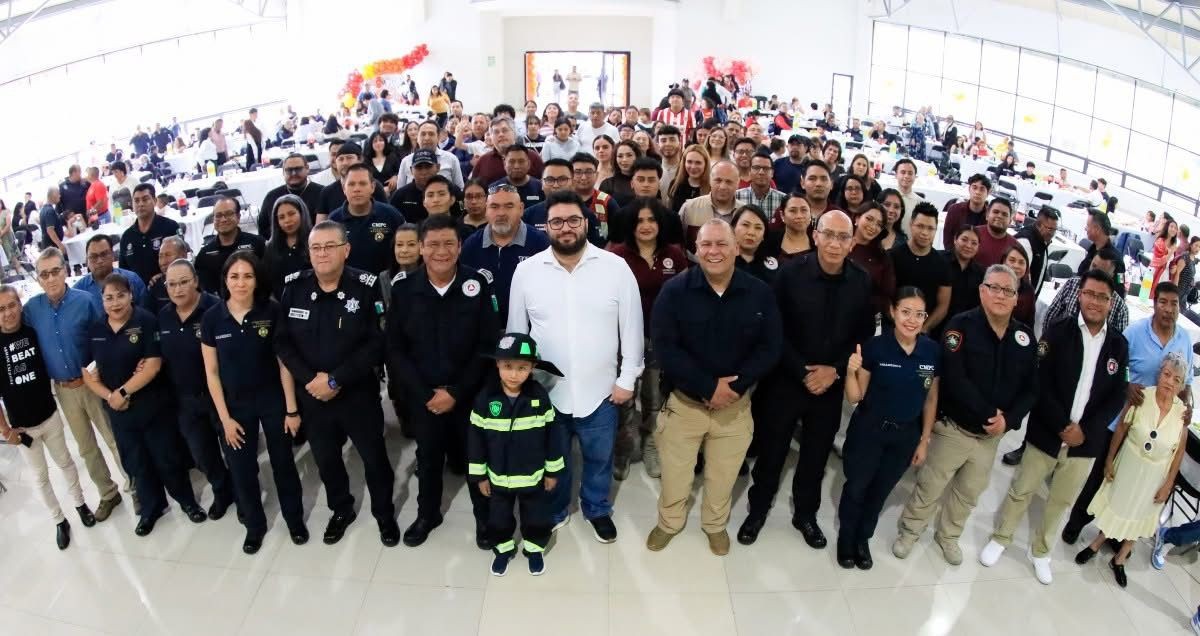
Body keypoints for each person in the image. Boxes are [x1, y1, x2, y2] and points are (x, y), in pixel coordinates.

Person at [507, 190, 644, 542]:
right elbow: (516, 333)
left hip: (602, 391)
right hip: (546, 392)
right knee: (554, 459)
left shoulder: (615, 268)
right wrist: (517, 383)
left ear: (586, 223)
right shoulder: (527, 272)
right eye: (557, 222)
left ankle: (596, 508)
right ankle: (556, 510)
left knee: (599, 458)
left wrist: (627, 378)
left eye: (573, 220)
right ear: (546, 226)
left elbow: (632, 328)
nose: (565, 228)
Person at [979, 270, 1128, 584]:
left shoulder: (1118, 344)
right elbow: (1039, 382)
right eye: (1090, 294)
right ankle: (1001, 537)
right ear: (1080, 295)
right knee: (1022, 490)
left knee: (1061, 501)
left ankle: (1041, 551)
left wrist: (1085, 431)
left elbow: (1117, 396)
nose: (1095, 302)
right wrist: (1062, 425)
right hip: (1048, 431)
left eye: (1102, 297)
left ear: (1111, 302)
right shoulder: (1058, 331)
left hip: (1085, 443)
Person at [646, 219, 781, 555]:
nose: (714, 251)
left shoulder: (759, 292)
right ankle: (669, 522)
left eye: (722, 244)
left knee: (723, 476)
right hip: (684, 406)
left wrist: (735, 387)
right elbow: (665, 348)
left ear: (736, 248)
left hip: (735, 408)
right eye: (706, 244)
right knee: (675, 474)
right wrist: (708, 386)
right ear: (696, 250)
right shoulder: (674, 291)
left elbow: (770, 347)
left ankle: (715, 526)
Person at [740, 211, 875, 547]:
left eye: (843, 237)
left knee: (816, 456)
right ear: (815, 236)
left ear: (852, 242)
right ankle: (758, 510)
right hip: (786, 380)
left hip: (830, 384)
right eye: (828, 234)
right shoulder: (789, 274)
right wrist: (802, 371)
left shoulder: (861, 280)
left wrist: (835, 370)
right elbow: (775, 330)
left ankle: (805, 514)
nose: (834, 243)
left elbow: (863, 335)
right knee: (772, 451)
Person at [894, 265, 1038, 565]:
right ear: (982, 291)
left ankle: (948, 536)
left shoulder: (1024, 337)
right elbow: (955, 378)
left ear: (1016, 299)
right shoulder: (961, 325)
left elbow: (1031, 388)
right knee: (931, 485)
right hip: (954, 428)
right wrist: (989, 413)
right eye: (994, 288)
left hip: (990, 438)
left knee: (968, 493)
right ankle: (910, 531)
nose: (1000, 295)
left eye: (1008, 291)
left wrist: (1008, 420)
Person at [276, 221, 397, 546]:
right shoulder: (294, 287)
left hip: (357, 394)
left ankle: (384, 514)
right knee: (326, 460)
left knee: (374, 459)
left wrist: (335, 379)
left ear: (346, 250)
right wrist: (311, 380)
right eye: (316, 247)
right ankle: (341, 509)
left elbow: (377, 343)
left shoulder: (366, 286)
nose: (322, 253)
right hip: (313, 397)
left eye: (330, 246)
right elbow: (283, 343)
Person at [386, 214, 498, 549]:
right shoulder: (404, 290)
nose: (441, 251)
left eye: (449, 243)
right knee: (428, 457)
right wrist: (425, 394)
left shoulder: (476, 285)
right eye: (433, 244)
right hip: (424, 397)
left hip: (468, 394)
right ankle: (428, 514)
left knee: (476, 459)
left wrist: (457, 392)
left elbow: (487, 346)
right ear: (421, 248)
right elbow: (395, 349)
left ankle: (484, 519)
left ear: (460, 246)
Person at [1062, 282, 1193, 545]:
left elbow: (1186, 380)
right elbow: (1112, 365)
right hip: (1122, 420)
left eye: (1174, 303)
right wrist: (1127, 384)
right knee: (1101, 476)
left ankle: (1115, 534)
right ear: (1154, 304)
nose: (1168, 309)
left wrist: (1187, 405)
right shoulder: (1135, 332)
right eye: (1163, 302)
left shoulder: (1184, 339)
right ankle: (1076, 523)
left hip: (1155, 427)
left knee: (1133, 485)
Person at [81, 274, 206, 535]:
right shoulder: (96, 330)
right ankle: (151, 509)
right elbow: (88, 374)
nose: (115, 303)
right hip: (120, 413)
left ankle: (187, 502)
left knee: (167, 458)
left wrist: (123, 391)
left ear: (131, 296)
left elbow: (153, 365)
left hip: (153, 407)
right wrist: (111, 397)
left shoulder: (146, 321)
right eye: (109, 298)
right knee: (137, 463)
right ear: (102, 301)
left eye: (120, 296)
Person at [199, 252, 307, 552]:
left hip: (272, 400)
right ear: (225, 280)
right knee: (242, 469)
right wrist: (225, 420)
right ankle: (255, 526)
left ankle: (294, 520)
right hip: (234, 407)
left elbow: (284, 363)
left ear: (257, 280)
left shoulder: (271, 310)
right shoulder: (212, 318)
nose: (241, 283)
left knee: (283, 463)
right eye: (234, 276)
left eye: (248, 276)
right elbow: (211, 373)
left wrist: (291, 409)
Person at [838, 288, 940, 570]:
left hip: (905, 436)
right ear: (893, 311)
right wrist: (850, 372)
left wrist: (924, 440)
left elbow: (931, 398)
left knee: (880, 491)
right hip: (869, 431)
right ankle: (846, 538)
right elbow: (855, 397)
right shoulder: (875, 347)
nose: (912, 320)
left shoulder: (931, 351)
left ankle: (863, 539)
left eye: (919, 314)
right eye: (905, 312)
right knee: (857, 487)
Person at [25, 248, 127, 521]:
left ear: (65, 271)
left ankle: (137, 486)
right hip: (63, 390)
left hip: (93, 383)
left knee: (113, 438)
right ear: (38, 279)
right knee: (86, 447)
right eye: (44, 274)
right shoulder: (32, 309)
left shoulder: (85, 301)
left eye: (55, 271)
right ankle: (108, 493)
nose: (50, 279)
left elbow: (105, 337)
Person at [1076, 355, 1188, 589]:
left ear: (1181, 386)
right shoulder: (1141, 396)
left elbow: (1178, 453)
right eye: (1167, 374)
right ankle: (1097, 543)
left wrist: (1168, 484)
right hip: (1129, 462)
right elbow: (1121, 428)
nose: (1170, 382)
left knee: (1141, 513)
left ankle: (1120, 558)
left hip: (1155, 474)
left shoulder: (1182, 414)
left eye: (1176, 379)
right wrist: (1109, 459)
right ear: (1159, 374)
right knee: (1119, 503)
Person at [0, 285, 94, 549]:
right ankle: (58, 520)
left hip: (49, 415)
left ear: (20, 306)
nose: (8, 313)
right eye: (1, 309)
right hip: (22, 428)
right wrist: (6, 430)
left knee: (66, 463)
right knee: (40, 477)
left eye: (11, 305)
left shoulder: (33, 332)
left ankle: (80, 504)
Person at [468, 332, 563, 576]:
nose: (514, 374)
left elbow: (552, 437)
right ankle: (503, 549)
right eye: (508, 366)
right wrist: (480, 476)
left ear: (532, 367)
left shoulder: (539, 397)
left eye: (522, 368)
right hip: (498, 478)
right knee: (498, 519)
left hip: (533, 476)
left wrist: (552, 472)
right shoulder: (485, 399)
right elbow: (476, 440)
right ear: (498, 364)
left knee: (536, 518)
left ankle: (534, 549)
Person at [607, 198, 687, 479]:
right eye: (639, 220)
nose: (646, 225)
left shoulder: (674, 255)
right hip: (623, 340)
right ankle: (623, 450)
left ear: (660, 223)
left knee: (655, 398)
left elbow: (683, 298)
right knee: (624, 399)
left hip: (660, 340)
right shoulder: (616, 256)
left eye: (651, 220)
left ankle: (651, 445)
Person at [155, 260, 235, 522]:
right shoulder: (164, 317)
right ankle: (223, 492)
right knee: (203, 455)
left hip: (221, 397)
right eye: (171, 284)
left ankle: (245, 494)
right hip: (186, 402)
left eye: (183, 282)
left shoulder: (216, 308)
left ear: (196, 281)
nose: (177, 289)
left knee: (234, 451)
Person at [461, 185, 551, 320]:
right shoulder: (471, 246)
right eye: (494, 206)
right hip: (484, 328)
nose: (501, 213)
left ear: (521, 209)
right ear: (486, 210)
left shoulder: (541, 244)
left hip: (530, 327)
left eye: (509, 206)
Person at [328, 164, 405, 274]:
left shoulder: (391, 215)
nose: (357, 189)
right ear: (344, 188)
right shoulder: (333, 221)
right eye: (351, 184)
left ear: (372, 187)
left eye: (362, 183)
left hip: (385, 281)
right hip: (348, 282)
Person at [891, 202, 951, 333]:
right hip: (892, 327)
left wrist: (924, 329)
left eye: (930, 228)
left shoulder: (942, 263)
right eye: (920, 226)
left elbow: (943, 305)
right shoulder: (893, 256)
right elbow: (885, 297)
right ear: (911, 224)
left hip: (923, 331)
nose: (925, 233)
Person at [194, 198, 266, 293]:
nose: (223, 219)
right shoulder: (205, 254)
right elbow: (203, 291)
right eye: (218, 215)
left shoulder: (257, 244)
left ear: (238, 216)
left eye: (228, 214)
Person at [119, 183, 182, 285]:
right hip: (136, 291)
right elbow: (123, 272)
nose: (140, 204)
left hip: (167, 286)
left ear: (155, 201)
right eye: (136, 201)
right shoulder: (127, 236)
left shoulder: (170, 227)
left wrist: (164, 276)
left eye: (145, 199)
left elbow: (182, 260)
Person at [680, 161, 740, 255]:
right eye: (718, 180)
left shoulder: (745, 212)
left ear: (737, 183)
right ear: (710, 180)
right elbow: (679, 244)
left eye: (729, 182)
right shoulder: (689, 208)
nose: (723, 186)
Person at [848, 203, 896, 317]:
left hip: (867, 316)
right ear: (857, 218)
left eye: (879, 224)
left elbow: (888, 293)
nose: (873, 226)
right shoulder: (840, 244)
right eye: (869, 219)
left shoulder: (882, 256)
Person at [259, 153, 324, 235]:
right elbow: (263, 229)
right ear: (283, 172)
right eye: (289, 170)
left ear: (307, 168)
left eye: (298, 169)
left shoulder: (323, 193)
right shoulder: (272, 197)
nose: (294, 173)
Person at [74, 235, 147, 306]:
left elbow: (145, 310)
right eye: (93, 256)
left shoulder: (132, 280)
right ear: (87, 260)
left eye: (104, 254)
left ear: (112, 255)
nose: (99, 261)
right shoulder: (78, 290)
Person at [263, 195, 312, 297]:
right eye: (281, 217)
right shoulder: (270, 247)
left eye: (291, 214)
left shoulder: (315, 242)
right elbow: (267, 282)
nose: (287, 220)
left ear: (302, 213)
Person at [473, 117, 545, 186]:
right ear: (491, 136)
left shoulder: (532, 157)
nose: (501, 134)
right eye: (496, 132)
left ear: (514, 133)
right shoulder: (483, 161)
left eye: (505, 130)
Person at [395, 120, 465, 190]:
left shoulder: (451, 159)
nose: (427, 138)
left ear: (438, 137)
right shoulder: (406, 161)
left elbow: (460, 188)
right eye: (423, 134)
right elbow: (400, 190)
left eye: (431, 134)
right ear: (417, 138)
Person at [1077, 209, 1126, 294]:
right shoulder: (1093, 248)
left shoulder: (1117, 259)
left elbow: (1120, 287)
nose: (1085, 228)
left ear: (1097, 229)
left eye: (1088, 226)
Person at [1014, 206, 1059, 296]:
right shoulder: (1025, 242)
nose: (1052, 233)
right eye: (1050, 229)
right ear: (1038, 225)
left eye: (1055, 230)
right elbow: (1016, 276)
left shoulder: (1042, 241)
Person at [731, 204, 778, 285]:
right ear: (733, 227)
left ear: (764, 235)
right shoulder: (722, 261)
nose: (751, 233)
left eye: (758, 228)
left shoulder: (773, 267)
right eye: (745, 225)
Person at [763, 192, 813, 261]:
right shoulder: (768, 239)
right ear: (782, 215)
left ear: (810, 213)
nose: (799, 216)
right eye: (793, 211)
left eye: (804, 210)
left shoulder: (818, 242)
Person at [735, 152, 786, 217]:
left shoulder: (783, 200)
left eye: (766, 168)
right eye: (756, 168)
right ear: (749, 171)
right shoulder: (736, 197)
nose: (761, 172)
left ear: (772, 173)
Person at [972, 198, 1018, 267]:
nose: (999, 216)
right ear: (987, 215)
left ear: (1010, 221)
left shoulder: (1015, 246)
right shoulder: (972, 234)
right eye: (996, 212)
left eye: (1004, 214)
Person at [668, 145, 711, 213]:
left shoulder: (711, 188)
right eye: (689, 162)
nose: (693, 167)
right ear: (684, 163)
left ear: (705, 164)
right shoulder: (675, 184)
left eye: (698, 163)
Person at [1002, 244, 1036, 326]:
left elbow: (1029, 323)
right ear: (1003, 262)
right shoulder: (992, 285)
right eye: (1012, 260)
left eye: (1021, 262)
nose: (1016, 266)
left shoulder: (1029, 291)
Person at [1152, 220, 1181, 295]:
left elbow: (1172, 262)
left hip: (1165, 275)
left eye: (1175, 228)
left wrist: (1174, 268)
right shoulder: (1160, 241)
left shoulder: (1173, 244)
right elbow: (1159, 261)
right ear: (1167, 227)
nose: (1173, 229)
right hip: (1155, 272)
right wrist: (1171, 251)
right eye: (1171, 226)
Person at [893, 159, 924, 224]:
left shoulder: (921, 203)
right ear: (896, 175)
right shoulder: (887, 198)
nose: (906, 176)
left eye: (910, 173)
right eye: (903, 172)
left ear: (915, 176)